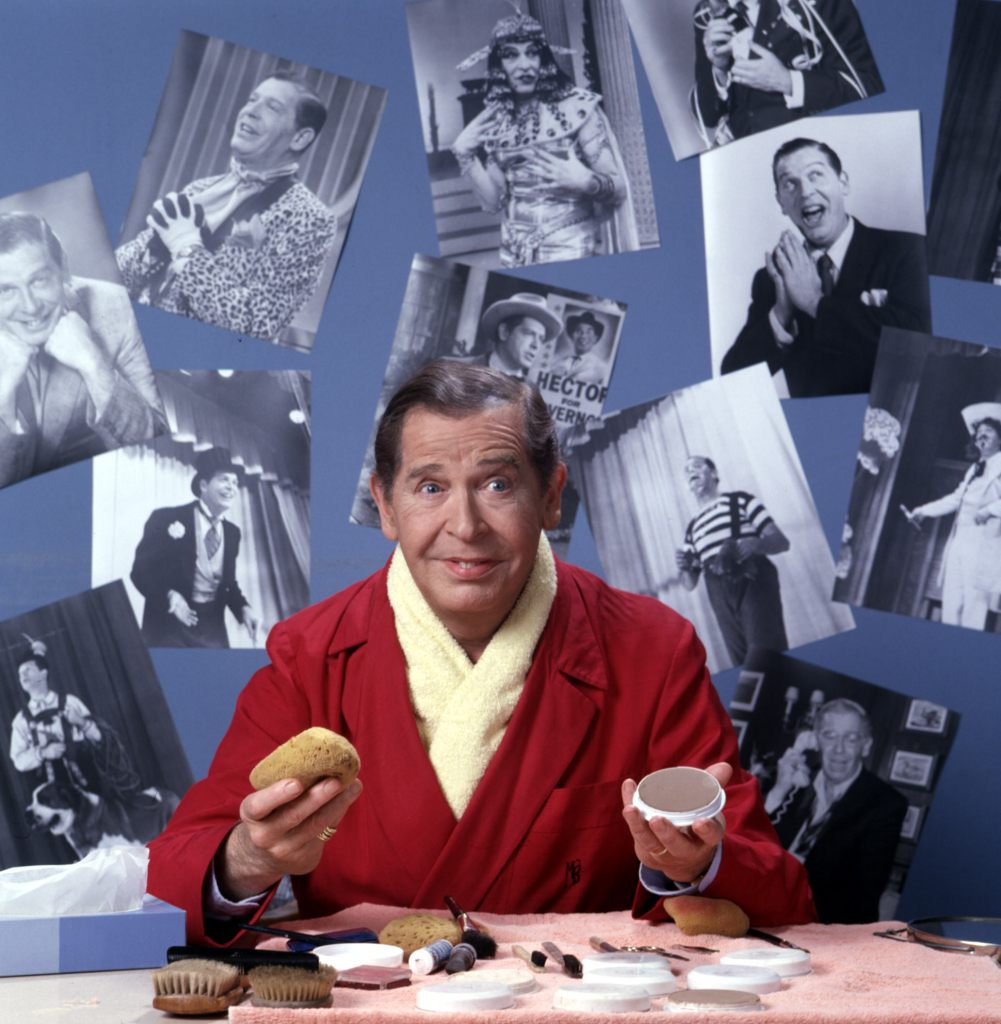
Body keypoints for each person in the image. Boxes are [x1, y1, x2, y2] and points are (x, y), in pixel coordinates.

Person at [147, 361, 814, 944]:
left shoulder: (652, 650)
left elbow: (780, 892)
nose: (464, 527)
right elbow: (175, 876)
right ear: (384, 504)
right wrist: (249, 859)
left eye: (496, 485)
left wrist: (691, 864)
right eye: (429, 487)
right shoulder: (310, 654)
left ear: (549, 496)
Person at [115, 72, 337, 342]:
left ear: (300, 138)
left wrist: (187, 248)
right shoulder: (199, 189)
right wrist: (152, 250)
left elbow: (256, 324)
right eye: (251, 99)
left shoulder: (310, 219)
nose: (250, 111)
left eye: (272, 107)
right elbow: (114, 277)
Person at [720, 138, 931, 397]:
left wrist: (813, 303)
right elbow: (732, 378)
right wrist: (781, 313)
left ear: (843, 183)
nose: (805, 191)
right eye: (790, 183)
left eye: (815, 175)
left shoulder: (908, 251)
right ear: (781, 202)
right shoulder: (772, 278)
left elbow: (921, 346)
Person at [450, 12, 636, 268]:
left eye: (532, 52)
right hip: (512, 251)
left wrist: (585, 182)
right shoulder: (498, 118)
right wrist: (465, 156)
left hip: (570, 244)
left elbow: (619, 189)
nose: (524, 65)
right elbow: (494, 202)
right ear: (497, 65)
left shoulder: (577, 108)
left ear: (544, 59)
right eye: (511, 55)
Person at [0, 212, 165, 490]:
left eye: (39, 280)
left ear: (63, 268)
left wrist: (93, 363)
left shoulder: (118, 310)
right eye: (5, 291)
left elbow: (156, 443)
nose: (30, 307)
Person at [10, 640, 179, 858]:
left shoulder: (70, 702)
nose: (22, 676)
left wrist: (82, 723)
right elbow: (18, 760)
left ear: (43, 673)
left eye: (28, 670)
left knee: (118, 844)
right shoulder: (21, 721)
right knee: (83, 851)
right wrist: (43, 753)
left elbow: (101, 739)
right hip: (57, 801)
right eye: (20, 673)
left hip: (95, 788)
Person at [763, 699, 906, 923]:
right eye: (829, 735)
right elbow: (749, 848)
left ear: (866, 746)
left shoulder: (886, 804)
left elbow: (861, 894)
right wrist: (779, 792)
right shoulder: (793, 782)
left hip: (826, 925)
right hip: (764, 908)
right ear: (816, 740)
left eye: (851, 738)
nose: (839, 749)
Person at [691, 0, 882, 147]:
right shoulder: (707, 14)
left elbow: (869, 86)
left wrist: (788, 82)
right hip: (747, 160)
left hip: (816, 144)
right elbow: (707, 115)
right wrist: (719, 69)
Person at [131, 447, 259, 648]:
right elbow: (140, 572)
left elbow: (228, 583)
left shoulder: (233, 533)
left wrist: (243, 608)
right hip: (170, 625)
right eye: (224, 479)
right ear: (203, 485)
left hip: (213, 628)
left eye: (235, 483)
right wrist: (169, 595)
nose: (231, 487)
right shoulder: (165, 519)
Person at [675, 455, 790, 666]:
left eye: (697, 466)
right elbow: (689, 583)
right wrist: (683, 567)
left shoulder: (742, 500)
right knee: (742, 661)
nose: (691, 471)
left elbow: (781, 541)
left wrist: (756, 544)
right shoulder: (692, 527)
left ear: (714, 473)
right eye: (687, 471)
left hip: (753, 580)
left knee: (767, 652)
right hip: (718, 592)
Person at [900, 405, 1001, 630]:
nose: (981, 435)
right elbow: (956, 499)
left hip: (984, 543)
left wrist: (990, 510)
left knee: (974, 609)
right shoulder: (975, 469)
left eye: (988, 431)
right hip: (961, 539)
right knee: (952, 600)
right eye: (978, 431)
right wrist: (922, 511)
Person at [471, 291, 562, 379]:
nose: (536, 345)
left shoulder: (531, 391)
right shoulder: (463, 369)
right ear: (504, 332)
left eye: (541, 339)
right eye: (529, 333)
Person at [549, 310, 608, 384]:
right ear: (572, 336)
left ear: (595, 338)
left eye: (588, 332)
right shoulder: (557, 362)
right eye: (579, 331)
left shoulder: (602, 369)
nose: (583, 336)